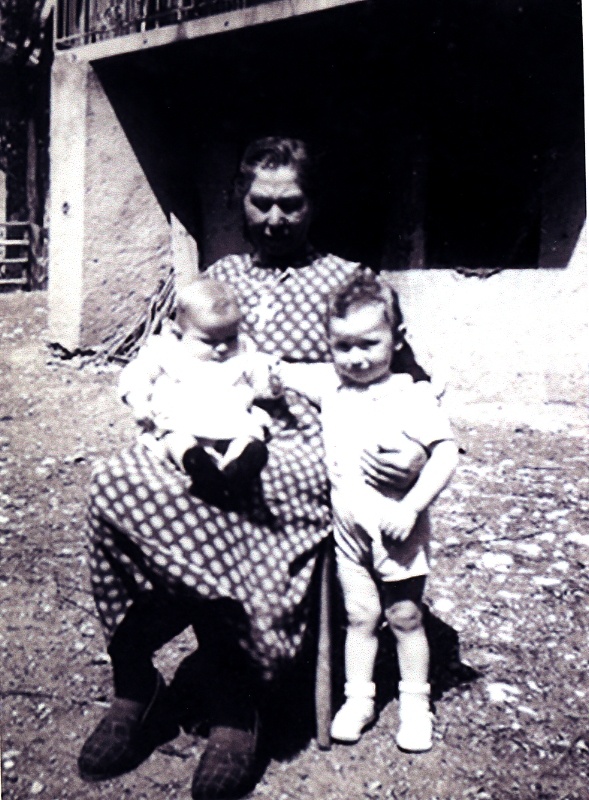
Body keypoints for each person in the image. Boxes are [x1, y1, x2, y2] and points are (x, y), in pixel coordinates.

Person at [77, 136, 430, 799]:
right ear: (240, 200)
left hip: (305, 445)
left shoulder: (349, 282)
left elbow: (410, 380)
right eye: (260, 203)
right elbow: (166, 364)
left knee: (240, 497)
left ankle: (238, 702)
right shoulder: (219, 279)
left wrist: (413, 449)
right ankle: (135, 681)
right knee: (115, 479)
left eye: (290, 205)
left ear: (313, 204)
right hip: (205, 432)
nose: (273, 219)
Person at [279, 267, 458, 752]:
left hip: (398, 530)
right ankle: (359, 698)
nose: (355, 359)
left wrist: (415, 503)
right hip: (348, 535)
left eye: (369, 345)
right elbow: (276, 369)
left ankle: (416, 704)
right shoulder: (330, 385)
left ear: (396, 340)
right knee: (359, 617)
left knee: (404, 615)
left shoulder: (409, 394)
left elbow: (445, 453)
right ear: (329, 344)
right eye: (343, 347)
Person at [118, 278, 280, 506]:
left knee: (248, 434)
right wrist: (139, 402)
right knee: (173, 438)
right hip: (180, 419)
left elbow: (260, 379)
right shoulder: (167, 350)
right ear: (177, 332)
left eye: (230, 338)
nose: (222, 348)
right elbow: (136, 375)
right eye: (208, 341)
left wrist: (272, 385)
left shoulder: (244, 350)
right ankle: (195, 463)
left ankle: (239, 465)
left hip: (232, 419)